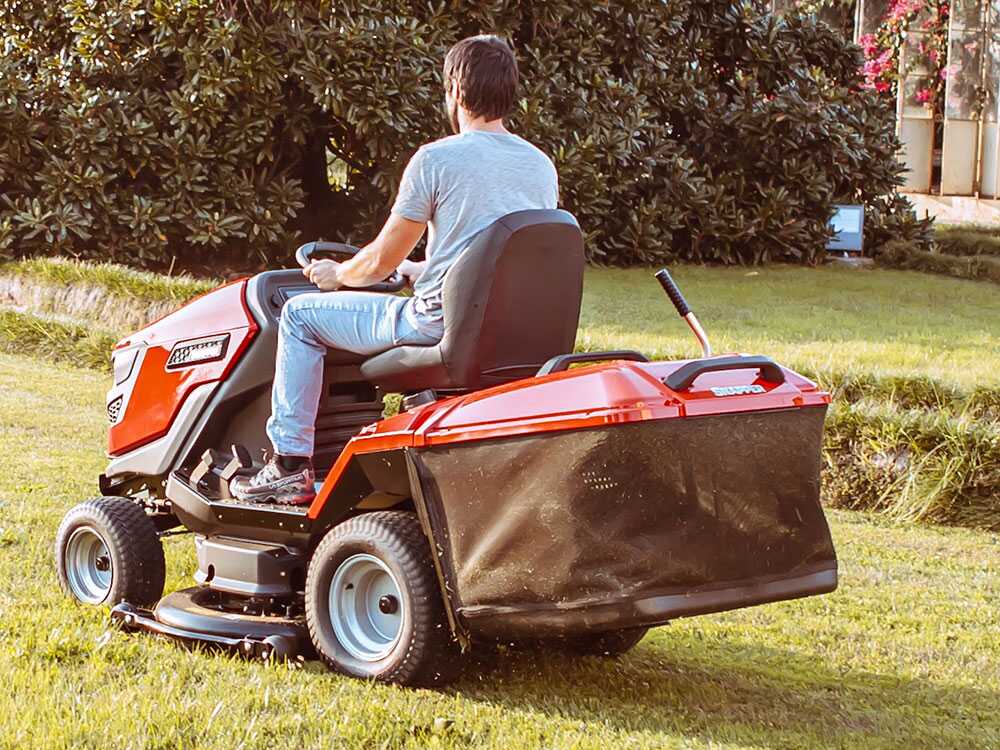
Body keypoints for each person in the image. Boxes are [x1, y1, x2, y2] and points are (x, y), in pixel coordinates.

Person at [232, 34, 559, 505]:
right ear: (509, 91)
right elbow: (495, 254)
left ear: (454, 89)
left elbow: (379, 260)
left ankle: (288, 466)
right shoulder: (539, 166)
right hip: (509, 331)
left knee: (300, 316)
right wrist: (422, 270)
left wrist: (338, 275)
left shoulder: (437, 160)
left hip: (436, 324)